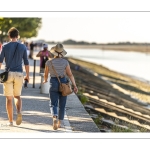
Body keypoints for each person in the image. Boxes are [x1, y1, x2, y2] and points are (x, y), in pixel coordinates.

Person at [43, 43, 78, 130]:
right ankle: (60, 123)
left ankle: (54, 117)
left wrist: (45, 80)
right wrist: (74, 85)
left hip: (53, 83)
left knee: (53, 104)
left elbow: (46, 75)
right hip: (63, 84)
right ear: (62, 53)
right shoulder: (65, 62)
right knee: (62, 105)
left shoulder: (48, 62)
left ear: (54, 52)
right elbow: (70, 75)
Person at [0, 27, 29, 126]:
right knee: (17, 96)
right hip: (19, 74)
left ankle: (11, 121)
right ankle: (19, 112)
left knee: (9, 98)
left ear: (9, 36)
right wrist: (28, 75)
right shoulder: (23, 47)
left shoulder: (5, 46)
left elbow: (0, 61)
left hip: (8, 74)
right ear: (18, 36)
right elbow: (26, 62)